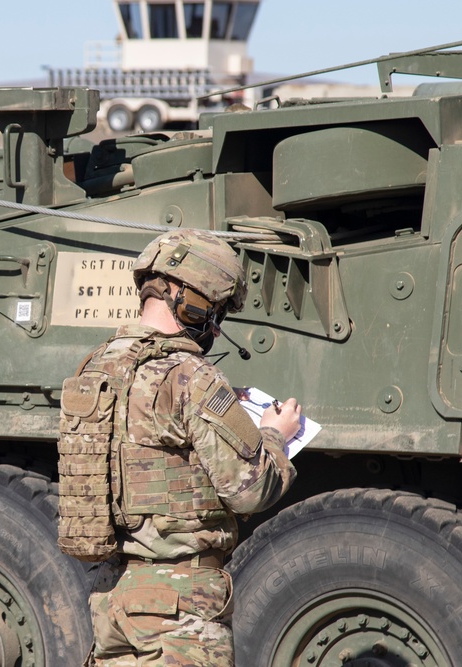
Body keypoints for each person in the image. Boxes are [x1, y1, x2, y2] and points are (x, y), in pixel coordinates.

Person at [74, 229, 301, 666]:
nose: (215, 326)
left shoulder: (96, 366)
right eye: (214, 311)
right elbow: (250, 490)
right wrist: (276, 435)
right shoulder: (192, 376)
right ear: (188, 298)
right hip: (178, 606)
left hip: (112, 600)